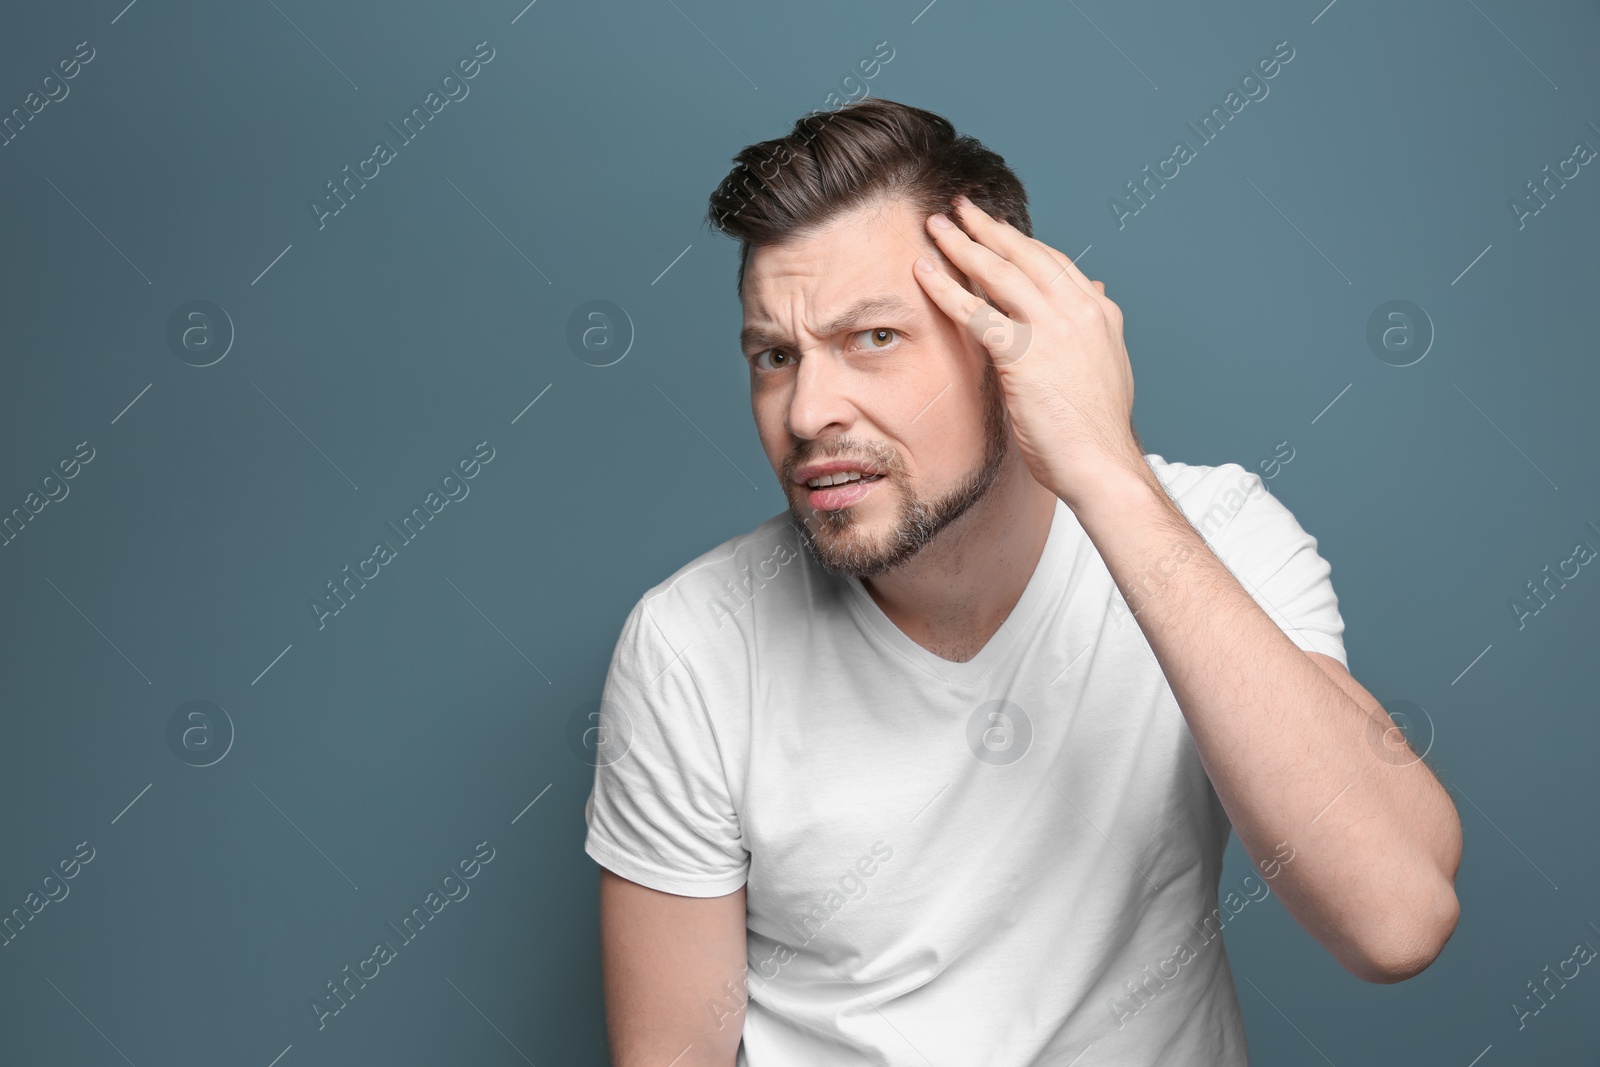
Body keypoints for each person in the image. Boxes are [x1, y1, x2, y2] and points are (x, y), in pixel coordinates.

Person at [584, 97, 1461, 1066]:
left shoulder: (1211, 532)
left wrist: (1106, 472)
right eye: (774, 355)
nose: (807, 409)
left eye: (873, 336)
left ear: (1012, 335)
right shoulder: (694, 642)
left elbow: (1397, 918)